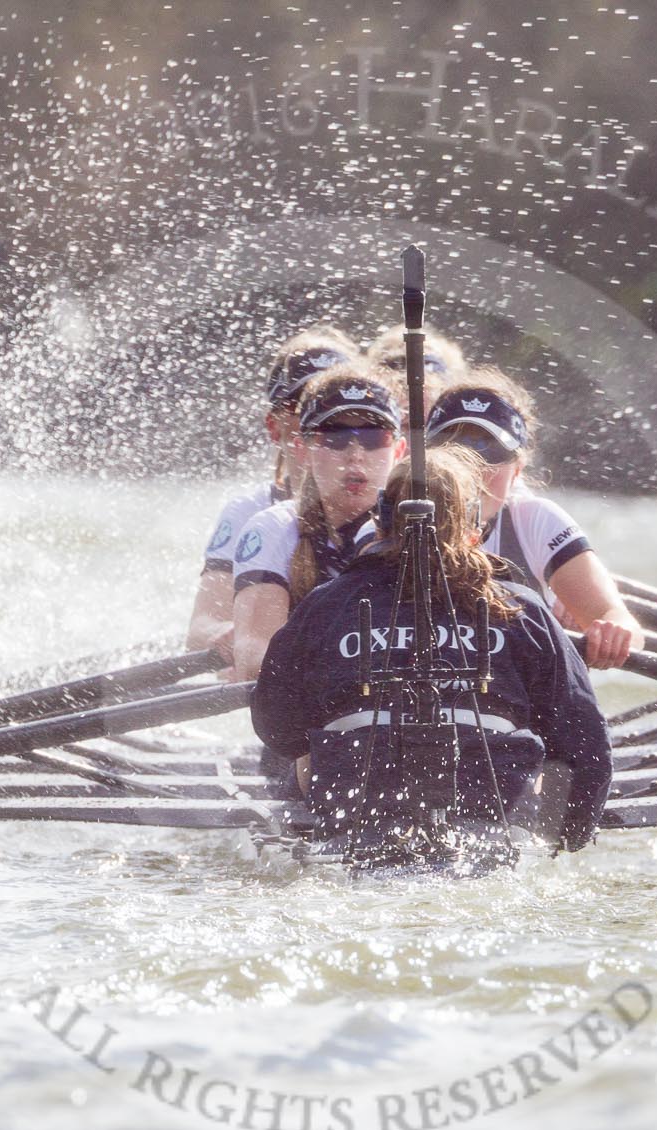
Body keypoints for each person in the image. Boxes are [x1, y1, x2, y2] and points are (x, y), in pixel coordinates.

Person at [249, 447, 613, 854]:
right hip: (491, 822)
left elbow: (274, 723)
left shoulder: (324, 606)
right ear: (474, 525)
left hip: (354, 817)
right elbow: (587, 745)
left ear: (381, 521)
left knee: (300, 754)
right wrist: (567, 842)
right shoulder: (522, 610)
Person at [423, 368, 645, 670]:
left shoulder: (534, 521)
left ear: (517, 470)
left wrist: (611, 634)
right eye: (456, 449)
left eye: (491, 451)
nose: (472, 468)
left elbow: (619, 621)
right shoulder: (392, 522)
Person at [229, 362, 416, 681]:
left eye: (373, 439)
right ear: (303, 449)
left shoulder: (425, 528)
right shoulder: (274, 529)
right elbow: (255, 661)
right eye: (335, 438)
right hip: (316, 718)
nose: (356, 454)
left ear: (398, 450)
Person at [186, 326, 358, 658]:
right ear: (274, 427)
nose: (319, 418)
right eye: (303, 403)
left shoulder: (397, 505)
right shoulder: (248, 512)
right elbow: (201, 627)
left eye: (332, 406)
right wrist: (227, 634)